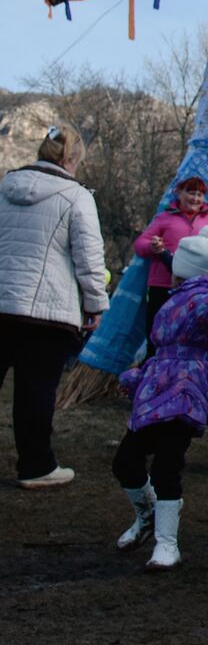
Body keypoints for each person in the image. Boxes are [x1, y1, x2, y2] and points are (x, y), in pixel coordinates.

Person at [112, 225, 208, 570]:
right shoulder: (175, 298)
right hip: (156, 386)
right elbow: (160, 347)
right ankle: (147, 515)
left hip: (186, 389)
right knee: (126, 461)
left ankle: (167, 542)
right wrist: (139, 374)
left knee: (166, 463)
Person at [0, 124, 108, 488]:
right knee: (36, 391)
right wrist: (95, 305)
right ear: (70, 158)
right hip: (46, 311)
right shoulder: (76, 197)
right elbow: (90, 260)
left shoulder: (4, 187)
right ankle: (36, 467)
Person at [133, 177, 208, 350]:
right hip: (163, 286)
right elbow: (140, 244)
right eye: (191, 193)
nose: (195, 198)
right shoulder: (165, 218)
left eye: (200, 195)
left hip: (197, 289)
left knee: (187, 335)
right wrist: (153, 246)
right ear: (179, 193)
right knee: (155, 337)